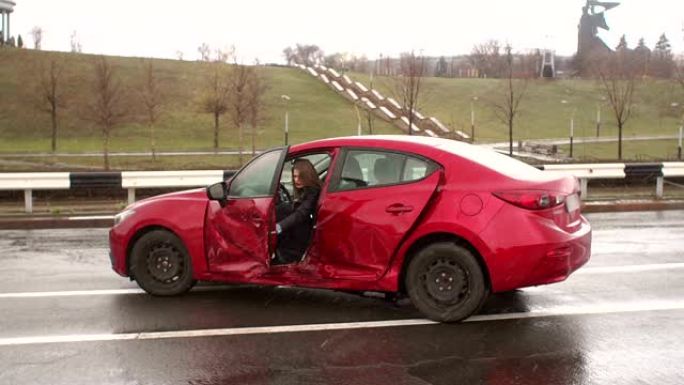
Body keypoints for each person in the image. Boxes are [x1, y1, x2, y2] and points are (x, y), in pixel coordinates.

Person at [273, 159, 321, 265]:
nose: (296, 180)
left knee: (283, 211)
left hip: (306, 234)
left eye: (300, 177)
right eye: (294, 176)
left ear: (308, 176)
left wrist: (279, 227)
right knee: (283, 209)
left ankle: (285, 257)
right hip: (304, 230)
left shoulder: (313, 191)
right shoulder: (305, 190)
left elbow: (302, 213)